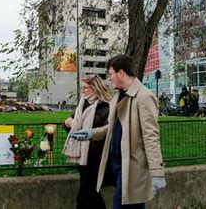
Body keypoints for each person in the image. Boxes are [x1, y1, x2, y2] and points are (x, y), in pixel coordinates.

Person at [71, 54, 166, 208]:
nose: (110, 78)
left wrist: (157, 172)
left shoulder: (144, 97)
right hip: (115, 164)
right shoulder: (118, 96)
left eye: (111, 74)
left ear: (121, 73)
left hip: (131, 166)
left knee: (121, 204)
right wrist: (91, 134)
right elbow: (113, 127)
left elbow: (151, 137)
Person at [62, 75, 111, 209]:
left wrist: (77, 126)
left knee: (85, 194)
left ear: (94, 88)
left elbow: (106, 132)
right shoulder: (82, 105)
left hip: (96, 155)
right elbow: (71, 127)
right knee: (92, 193)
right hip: (81, 155)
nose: (83, 91)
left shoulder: (105, 107)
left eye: (85, 88)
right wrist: (68, 124)